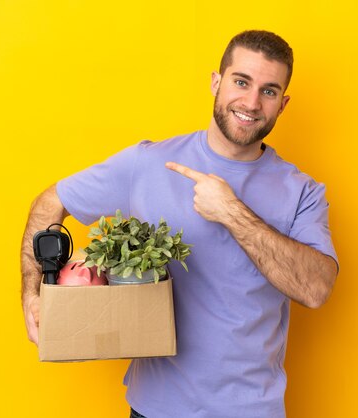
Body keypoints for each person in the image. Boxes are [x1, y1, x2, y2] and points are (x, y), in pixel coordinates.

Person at [21, 30, 339, 418]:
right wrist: (34, 295)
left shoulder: (302, 191)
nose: (252, 102)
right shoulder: (147, 163)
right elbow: (49, 204)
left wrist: (231, 212)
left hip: (252, 410)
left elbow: (316, 289)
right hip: (155, 408)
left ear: (283, 104)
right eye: (241, 82)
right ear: (216, 82)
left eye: (269, 91)